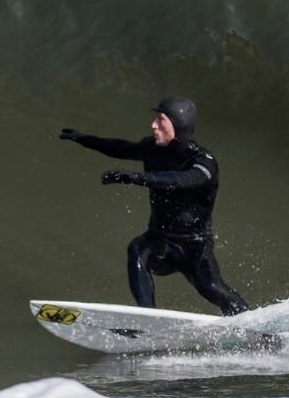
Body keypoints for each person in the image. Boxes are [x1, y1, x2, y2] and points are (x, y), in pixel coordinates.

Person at [60, 96, 251, 315]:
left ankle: (255, 327)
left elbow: (179, 180)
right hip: (161, 241)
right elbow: (122, 148)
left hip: (195, 246)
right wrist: (84, 139)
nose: (153, 125)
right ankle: (148, 317)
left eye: (161, 120)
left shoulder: (203, 162)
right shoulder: (153, 148)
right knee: (138, 249)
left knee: (212, 288)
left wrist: (137, 178)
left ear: (178, 125)